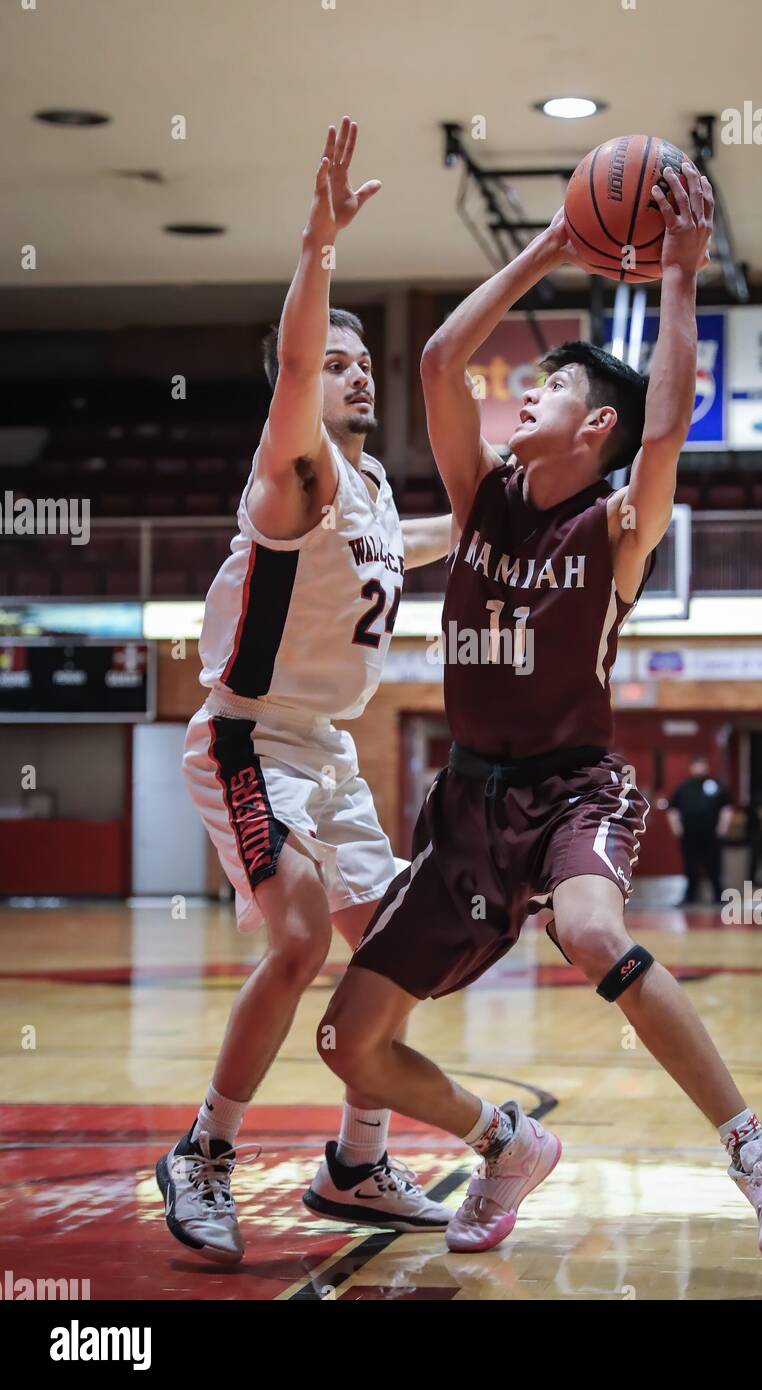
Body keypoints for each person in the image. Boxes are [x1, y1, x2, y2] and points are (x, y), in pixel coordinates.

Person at [318, 163, 762, 1259]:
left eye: (541, 391)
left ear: (592, 423)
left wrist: (682, 280)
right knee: (348, 1042)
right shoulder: (481, 498)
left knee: (592, 930)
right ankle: (504, 1144)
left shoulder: (615, 528)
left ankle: (759, 1155)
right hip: (464, 806)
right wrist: (553, 242)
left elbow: (666, 426)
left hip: (567, 792)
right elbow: (441, 358)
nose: (517, 400)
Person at [156, 120, 454, 1264]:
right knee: (293, 941)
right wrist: (316, 246)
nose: (356, 367)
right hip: (245, 743)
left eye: (362, 358)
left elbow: (410, 542)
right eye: (338, 358)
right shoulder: (296, 470)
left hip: (325, 750)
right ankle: (206, 1148)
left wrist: (501, 514)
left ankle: (358, 1160)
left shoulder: (372, 483)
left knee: (391, 951)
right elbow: (290, 367)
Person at [667, 756, 732, 904]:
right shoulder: (683, 788)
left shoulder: (716, 786)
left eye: (702, 765)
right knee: (690, 865)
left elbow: (726, 808)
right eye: (696, 765)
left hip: (711, 834)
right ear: (691, 767)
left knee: (714, 865)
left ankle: (718, 895)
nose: (699, 768)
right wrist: (676, 828)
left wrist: (723, 828)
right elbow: (673, 809)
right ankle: (691, 896)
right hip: (690, 834)